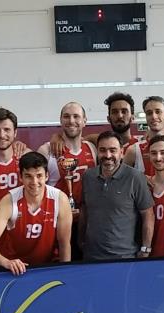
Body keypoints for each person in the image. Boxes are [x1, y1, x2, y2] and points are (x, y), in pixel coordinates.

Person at [0, 152, 72, 275]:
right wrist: (6, 262)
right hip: (14, 269)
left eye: (39, 175)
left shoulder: (60, 199)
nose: (34, 182)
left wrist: (64, 274)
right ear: (21, 178)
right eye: (28, 176)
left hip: (47, 266)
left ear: (47, 176)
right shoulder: (9, 200)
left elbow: (64, 243)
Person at [80, 131, 154, 261]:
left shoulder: (135, 178)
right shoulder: (88, 176)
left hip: (125, 257)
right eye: (102, 150)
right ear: (97, 152)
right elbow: (84, 210)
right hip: (91, 257)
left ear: (121, 152)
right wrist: (80, 240)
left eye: (112, 150)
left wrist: (146, 249)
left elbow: (148, 215)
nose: (108, 155)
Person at [37, 102, 97, 259]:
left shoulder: (92, 148)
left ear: (85, 120)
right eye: (66, 116)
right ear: (60, 120)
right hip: (56, 223)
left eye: (76, 116)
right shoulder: (46, 150)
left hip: (87, 222)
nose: (71, 121)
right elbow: (36, 189)